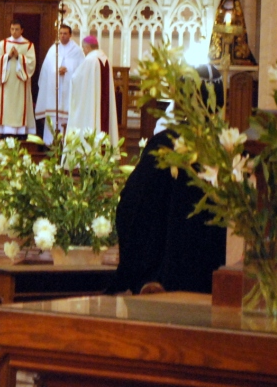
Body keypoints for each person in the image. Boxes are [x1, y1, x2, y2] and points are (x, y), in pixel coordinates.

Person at [111, 65, 228, 294]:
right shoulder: (231, 148)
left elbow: (133, 206)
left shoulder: (165, 145)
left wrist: (142, 272)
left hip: (167, 279)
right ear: (220, 101)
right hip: (215, 282)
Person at [34, 24, 85, 143]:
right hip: (54, 93)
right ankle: (51, 144)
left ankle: (66, 145)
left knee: (67, 120)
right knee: (53, 119)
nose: (62, 36)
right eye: (60, 33)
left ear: (70, 35)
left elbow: (81, 71)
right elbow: (46, 71)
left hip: (69, 92)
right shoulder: (53, 49)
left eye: (65, 33)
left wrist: (68, 71)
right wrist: (56, 71)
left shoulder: (77, 51)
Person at [68, 36, 119, 144]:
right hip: (103, 103)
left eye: (83, 48)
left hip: (92, 103)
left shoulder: (90, 59)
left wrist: (70, 79)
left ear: (87, 47)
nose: (84, 51)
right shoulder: (105, 59)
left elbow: (76, 80)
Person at [0, 20, 37, 136]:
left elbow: (32, 63)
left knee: (20, 105)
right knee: (6, 106)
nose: (14, 32)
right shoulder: (3, 44)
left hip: (21, 82)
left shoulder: (28, 45)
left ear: (22, 30)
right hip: (6, 81)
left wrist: (19, 57)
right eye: (12, 29)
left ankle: (20, 132)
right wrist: (7, 56)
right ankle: (6, 132)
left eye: (17, 29)